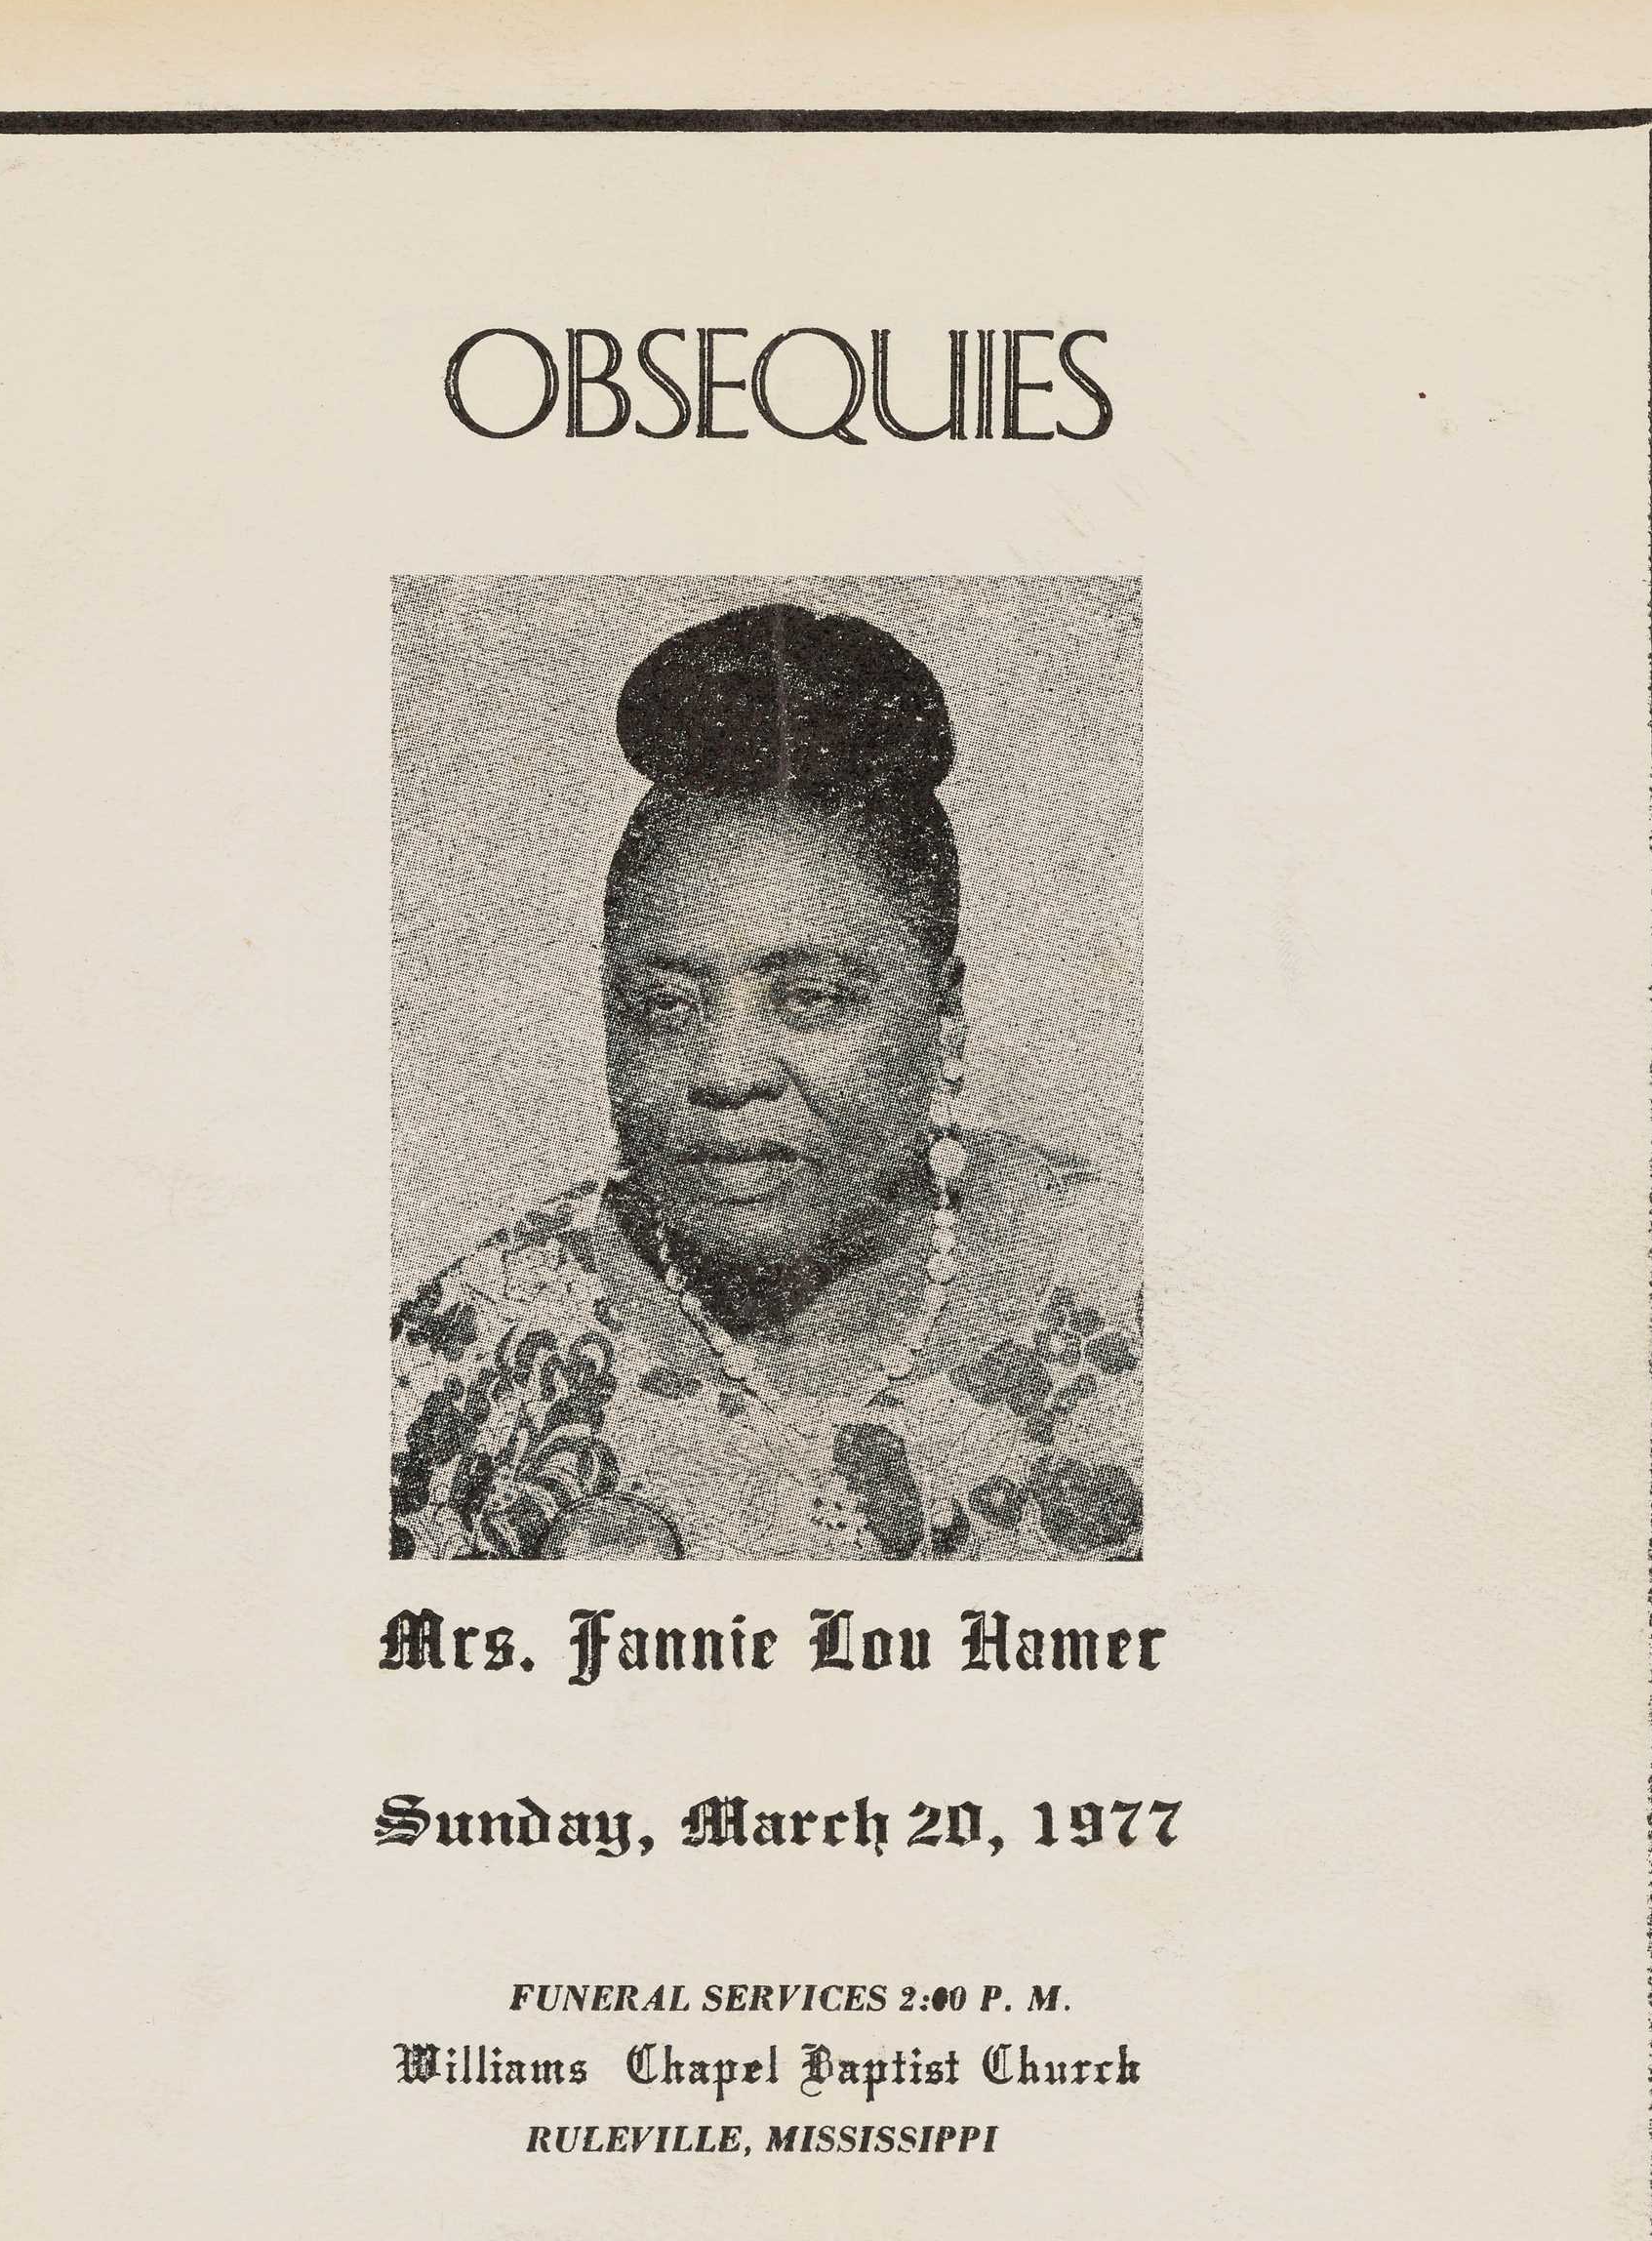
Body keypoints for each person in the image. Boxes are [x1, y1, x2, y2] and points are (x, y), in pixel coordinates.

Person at [391, 601, 1144, 1561]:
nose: (726, 1072)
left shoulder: (1156, 1309)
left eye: (811, 997)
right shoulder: (461, 1361)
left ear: (943, 1016)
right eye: (663, 1004)